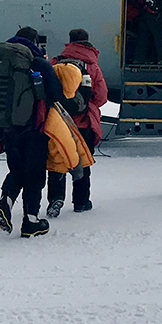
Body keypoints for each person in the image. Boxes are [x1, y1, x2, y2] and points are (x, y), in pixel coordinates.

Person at [0, 26, 63, 238]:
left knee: (17, 170)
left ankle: (5, 202)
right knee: (35, 174)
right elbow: (56, 94)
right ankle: (31, 221)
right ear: (35, 43)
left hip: (6, 127)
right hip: (34, 129)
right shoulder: (36, 62)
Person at [46, 28, 108, 216]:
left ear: (70, 42)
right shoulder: (92, 67)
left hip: (59, 122)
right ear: (88, 42)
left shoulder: (55, 63)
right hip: (84, 123)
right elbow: (101, 97)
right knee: (82, 162)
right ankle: (81, 201)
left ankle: (55, 199)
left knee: (58, 161)